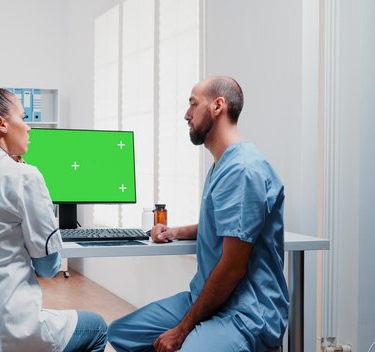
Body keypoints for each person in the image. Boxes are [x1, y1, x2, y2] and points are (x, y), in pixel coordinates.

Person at [107, 76, 289, 352]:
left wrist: (181, 331)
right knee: (120, 333)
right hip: (207, 299)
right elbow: (224, 226)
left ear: (218, 106)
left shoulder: (242, 169)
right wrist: (176, 231)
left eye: (193, 103)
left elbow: (232, 267)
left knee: (183, 346)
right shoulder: (222, 164)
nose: (186, 114)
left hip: (246, 313)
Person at [0, 81, 107, 352]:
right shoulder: (23, 175)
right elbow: (48, 268)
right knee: (96, 327)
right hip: (5, 330)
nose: (28, 127)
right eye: (23, 118)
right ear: (1, 123)